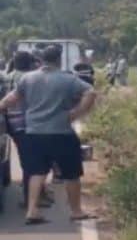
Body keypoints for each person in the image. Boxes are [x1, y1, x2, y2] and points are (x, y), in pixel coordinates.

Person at [0, 45, 97, 224]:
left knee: (36, 173)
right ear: (58, 60)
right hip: (61, 133)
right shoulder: (69, 79)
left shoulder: (28, 78)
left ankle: (32, 211)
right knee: (71, 174)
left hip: (34, 133)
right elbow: (90, 92)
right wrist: (77, 113)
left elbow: (10, 100)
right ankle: (76, 211)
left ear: (42, 60)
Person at [4, 51, 51, 209]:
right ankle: (30, 199)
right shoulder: (30, 79)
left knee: (28, 160)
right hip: (26, 123)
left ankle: (35, 195)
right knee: (32, 162)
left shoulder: (6, 76)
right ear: (29, 63)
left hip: (10, 123)